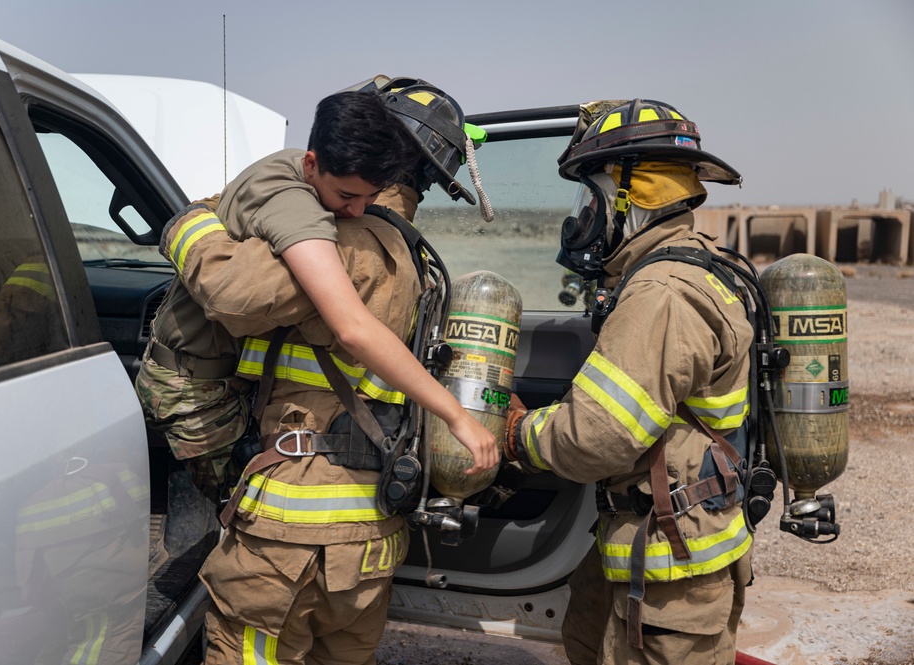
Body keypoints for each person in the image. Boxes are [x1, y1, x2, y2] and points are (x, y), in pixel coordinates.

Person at [153, 78, 497, 664]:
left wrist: (193, 221)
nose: (353, 208)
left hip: (288, 533)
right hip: (373, 535)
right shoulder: (412, 257)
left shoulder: (334, 246)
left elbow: (233, 293)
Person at [136, 86, 496, 505]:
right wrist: (455, 416)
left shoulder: (305, 177)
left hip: (221, 376)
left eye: (371, 197)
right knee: (241, 508)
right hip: (194, 388)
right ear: (312, 163)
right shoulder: (296, 206)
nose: (358, 211)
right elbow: (352, 328)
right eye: (347, 196)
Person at [503, 99, 754, 665]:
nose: (580, 217)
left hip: (669, 571)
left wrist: (518, 433)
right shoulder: (698, 264)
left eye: (589, 197)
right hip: (656, 546)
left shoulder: (661, 294)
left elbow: (597, 437)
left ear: (631, 198)